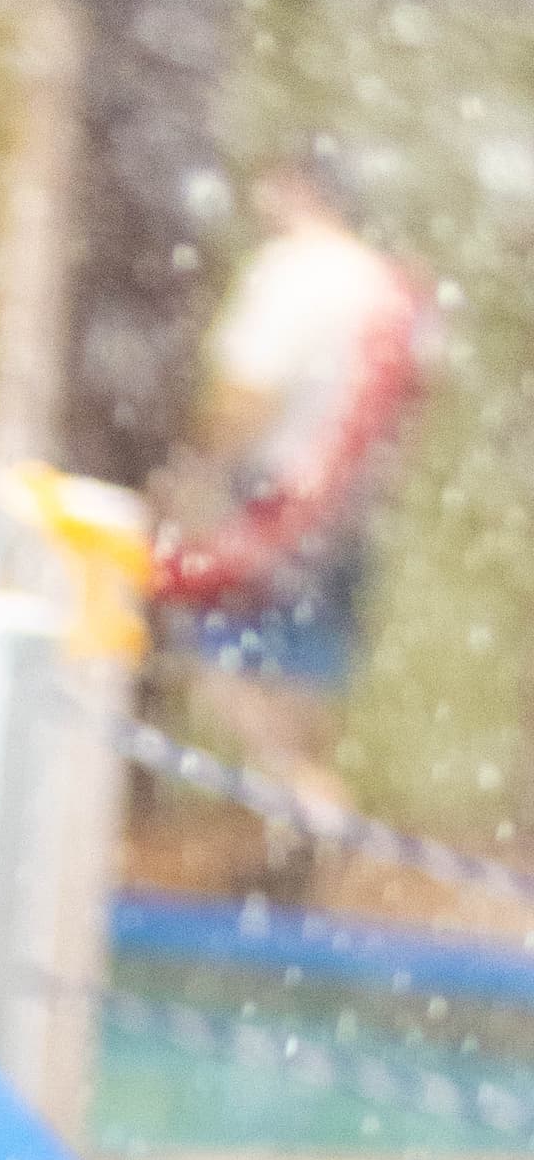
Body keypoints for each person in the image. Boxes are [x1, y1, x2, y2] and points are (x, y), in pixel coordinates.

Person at [149, 150, 431, 827]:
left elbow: (248, 391)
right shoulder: (389, 284)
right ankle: (294, 831)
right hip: (348, 506)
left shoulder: (291, 272)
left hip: (277, 494)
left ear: (298, 190)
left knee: (210, 655)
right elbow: (414, 404)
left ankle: (305, 799)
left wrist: (197, 472)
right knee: (307, 672)